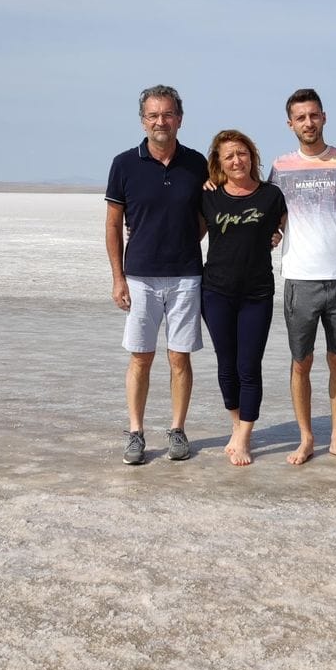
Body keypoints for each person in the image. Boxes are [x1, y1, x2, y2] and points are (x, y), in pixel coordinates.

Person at [269, 88, 336, 466]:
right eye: (300, 118)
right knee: (301, 362)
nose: (308, 123)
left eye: (313, 115)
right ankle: (305, 438)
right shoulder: (280, 167)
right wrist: (274, 234)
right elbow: (274, 216)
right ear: (290, 124)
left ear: (324, 117)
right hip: (300, 279)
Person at [105, 86, 208, 465]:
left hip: (185, 277)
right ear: (142, 120)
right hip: (140, 277)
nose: (160, 122)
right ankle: (135, 432)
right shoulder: (124, 164)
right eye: (153, 115)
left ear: (179, 119)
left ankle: (177, 429)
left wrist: (181, 241)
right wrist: (118, 277)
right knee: (141, 358)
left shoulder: (197, 164)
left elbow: (207, 216)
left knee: (180, 358)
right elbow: (113, 225)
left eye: (167, 115)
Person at [200, 130, 287, 466]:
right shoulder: (209, 197)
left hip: (256, 293)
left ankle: (245, 437)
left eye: (242, 153)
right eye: (229, 156)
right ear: (219, 164)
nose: (237, 161)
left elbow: (296, 230)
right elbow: (188, 233)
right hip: (216, 291)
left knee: (249, 366)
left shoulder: (271, 196)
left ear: (252, 156)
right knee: (227, 364)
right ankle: (236, 425)